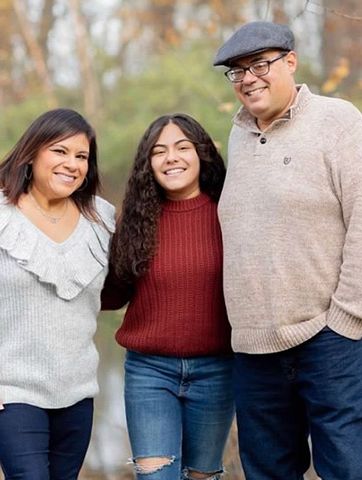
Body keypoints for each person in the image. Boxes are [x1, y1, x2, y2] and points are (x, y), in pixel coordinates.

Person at [213, 21, 362, 480]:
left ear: (290, 63)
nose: (248, 78)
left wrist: (350, 319)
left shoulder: (339, 121)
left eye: (260, 65)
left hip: (328, 340)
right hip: (254, 349)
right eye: (237, 72)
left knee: (350, 471)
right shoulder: (237, 136)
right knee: (268, 473)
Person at [0, 108, 114, 479]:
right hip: (11, 392)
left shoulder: (101, 221)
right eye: (60, 151)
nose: (72, 164)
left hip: (77, 391)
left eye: (82, 156)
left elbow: (132, 282)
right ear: (32, 154)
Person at [101, 113, 233, 480]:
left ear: (201, 154)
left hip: (218, 370)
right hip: (149, 372)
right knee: (155, 477)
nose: (171, 157)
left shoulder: (230, 215)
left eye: (182, 147)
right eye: (159, 151)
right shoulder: (135, 222)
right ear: (149, 164)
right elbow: (110, 294)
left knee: (202, 476)